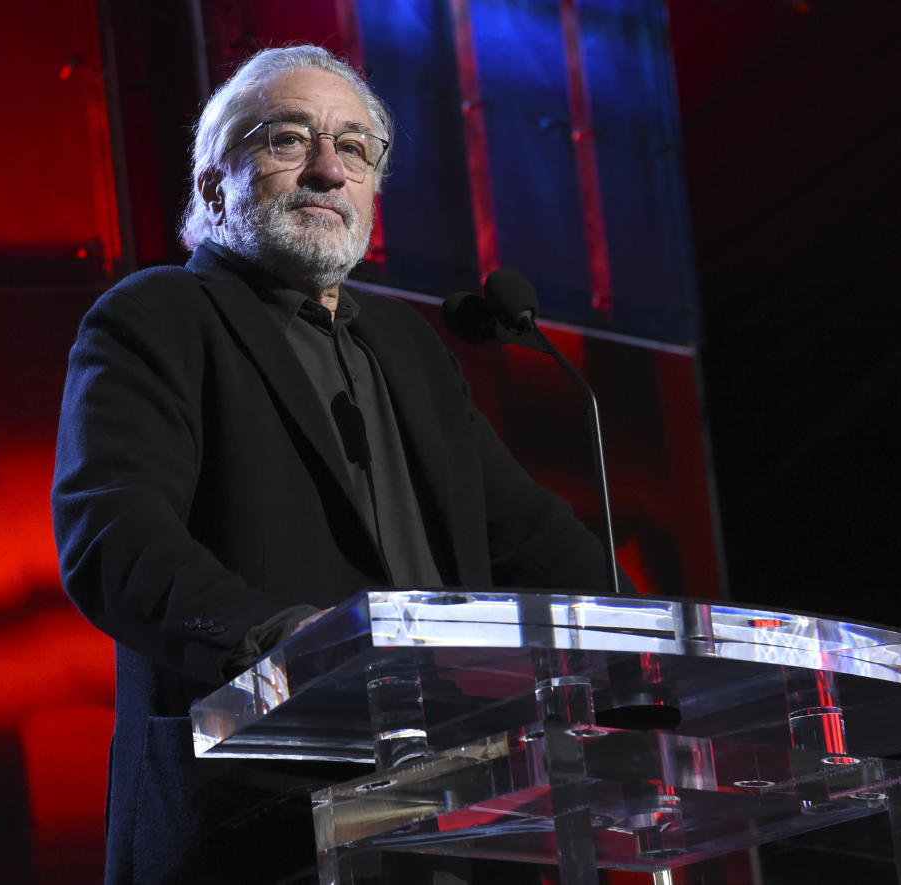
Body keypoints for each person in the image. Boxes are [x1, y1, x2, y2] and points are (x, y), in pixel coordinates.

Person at [52, 44, 626, 884]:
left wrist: (641, 651)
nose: (328, 168)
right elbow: (116, 536)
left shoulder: (408, 348)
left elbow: (527, 533)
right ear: (214, 184)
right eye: (289, 139)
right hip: (255, 817)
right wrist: (293, 648)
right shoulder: (158, 316)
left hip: (455, 819)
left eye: (355, 147)